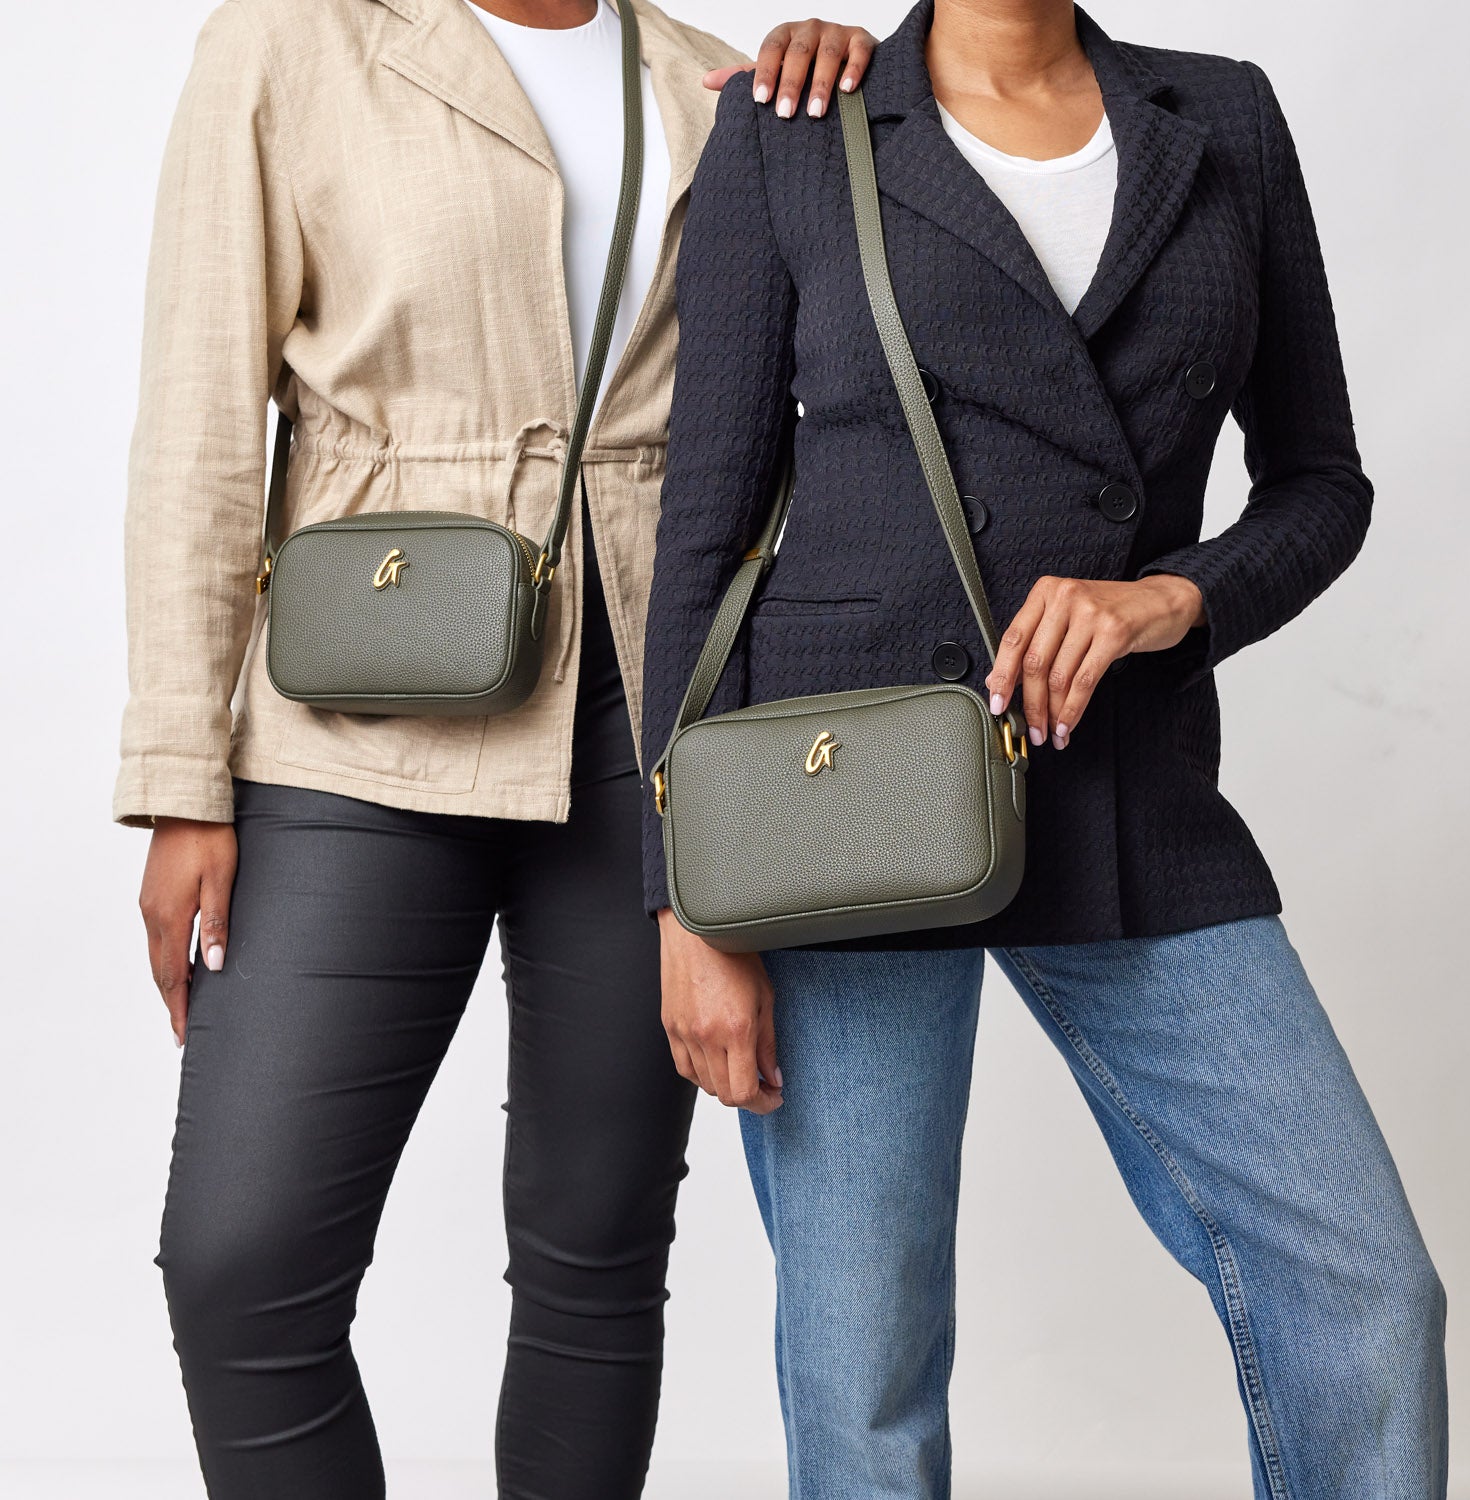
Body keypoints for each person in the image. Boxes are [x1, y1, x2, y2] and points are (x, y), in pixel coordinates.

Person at [642, 1, 1448, 1495]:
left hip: (1127, 787)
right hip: (840, 803)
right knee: (862, 1369)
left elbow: (1321, 483)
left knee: (1366, 1291)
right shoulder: (801, 117)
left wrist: (1170, 596)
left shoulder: (1223, 119)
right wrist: (683, 896)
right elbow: (702, 528)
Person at [115, 2, 878, 1496]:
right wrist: (178, 774)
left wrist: (867, 84)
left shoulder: (702, 76)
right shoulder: (290, 43)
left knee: (598, 1251)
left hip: (648, 721)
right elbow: (196, 425)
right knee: (241, 1263)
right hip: (355, 719)